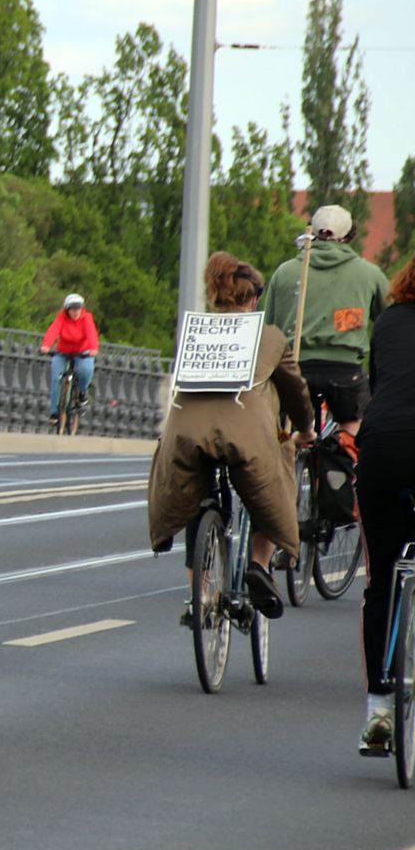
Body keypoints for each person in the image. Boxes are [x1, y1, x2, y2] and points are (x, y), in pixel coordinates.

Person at [148, 253, 315, 622]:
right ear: (255, 299)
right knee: (272, 484)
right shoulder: (269, 336)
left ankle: (199, 594)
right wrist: (304, 429)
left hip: (186, 435)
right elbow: (294, 390)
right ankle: (259, 564)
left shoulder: (194, 331)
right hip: (245, 438)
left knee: (198, 500)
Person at [264, 204, 390, 443]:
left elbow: (269, 328)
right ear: (351, 234)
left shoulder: (285, 273)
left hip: (295, 369)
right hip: (344, 372)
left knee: (286, 432)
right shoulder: (369, 274)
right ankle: (344, 462)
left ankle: (293, 458)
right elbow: (390, 319)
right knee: (354, 423)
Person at [355, 258, 415, 751]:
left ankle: (378, 708)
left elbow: (379, 385)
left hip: (382, 446)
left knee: (381, 583)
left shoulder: (387, 320)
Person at [41, 293, 100, 424]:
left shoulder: (86, 318)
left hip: (83, 352)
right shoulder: (61, 318)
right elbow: (53, 330)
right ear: (67, 310)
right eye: (72, 309)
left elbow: (91, 333)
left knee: (85, 370)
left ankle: (82, 394)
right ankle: (54, 412)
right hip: (63, 351)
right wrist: (46, 345)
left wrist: (93, 348)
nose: (75, 312)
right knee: (56, 376)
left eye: (78, 308)